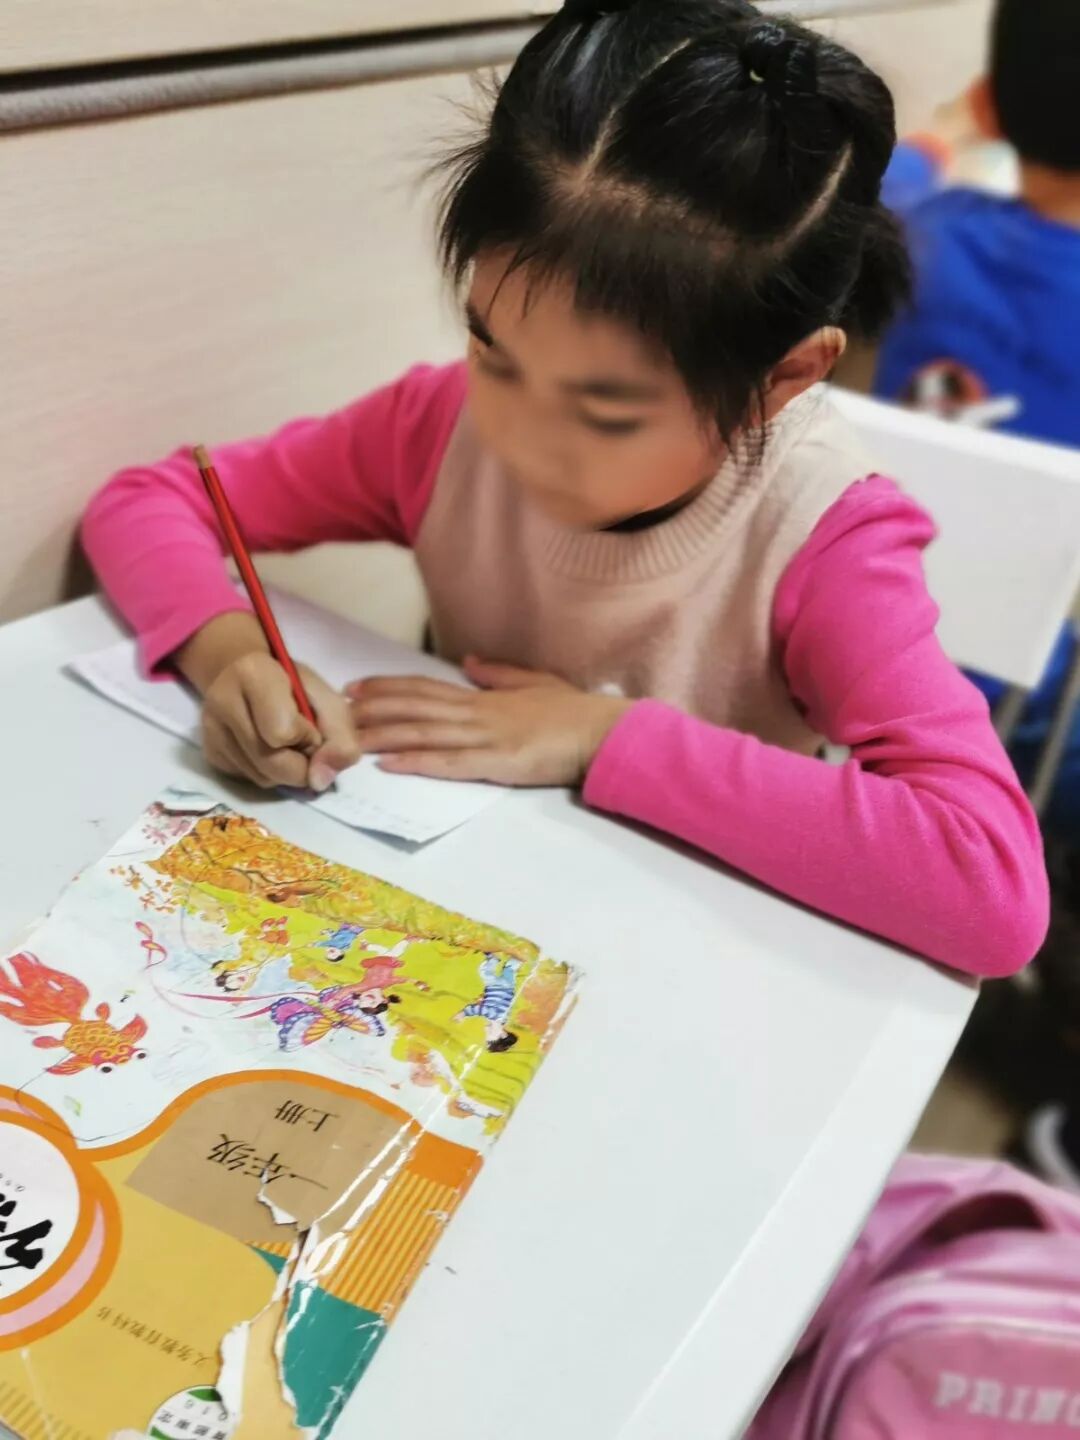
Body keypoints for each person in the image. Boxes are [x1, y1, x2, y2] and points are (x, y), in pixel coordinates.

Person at [82, 0, 1048, 979]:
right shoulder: (435, 427)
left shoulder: (823, 538)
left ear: (782, 380)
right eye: (492, 355)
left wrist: (601, 737)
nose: (515, 435)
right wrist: (228, 651)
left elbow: (991, 892)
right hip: (453, 920)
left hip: (688, 962)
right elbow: (151, 499)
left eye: (606, 412)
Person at [875, 0, 1080, 448]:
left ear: (986, 109)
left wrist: (938, 138)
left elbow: (876, 190)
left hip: (900, 489)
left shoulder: (930, 232)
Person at [456, 955, 523, 1054]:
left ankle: (515, 961)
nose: (487, 1036)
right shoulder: (494, 1017)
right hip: (497, 987)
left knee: (508, 971)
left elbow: (491, 1007)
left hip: (508, 988)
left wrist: (483, 1001)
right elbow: (480, 1010)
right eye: (489, 1040)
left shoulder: (502, 1020)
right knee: (484, 972)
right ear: (502, 1034)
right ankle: (494, 959)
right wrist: (464, 1013)